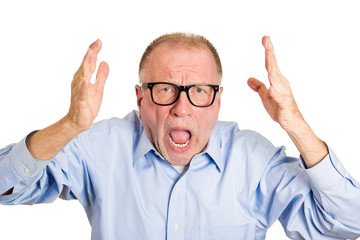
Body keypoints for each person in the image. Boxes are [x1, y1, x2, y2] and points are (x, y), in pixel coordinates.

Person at [0, 32, 359, 240]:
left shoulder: (254, 160)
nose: (181, 108)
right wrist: (69, 127)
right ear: (140, 99)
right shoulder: (101, 146)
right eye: (164, 89)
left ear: (218, 101)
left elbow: (349, 222)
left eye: (199, 91)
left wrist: (295, 123)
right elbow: (4, 187)